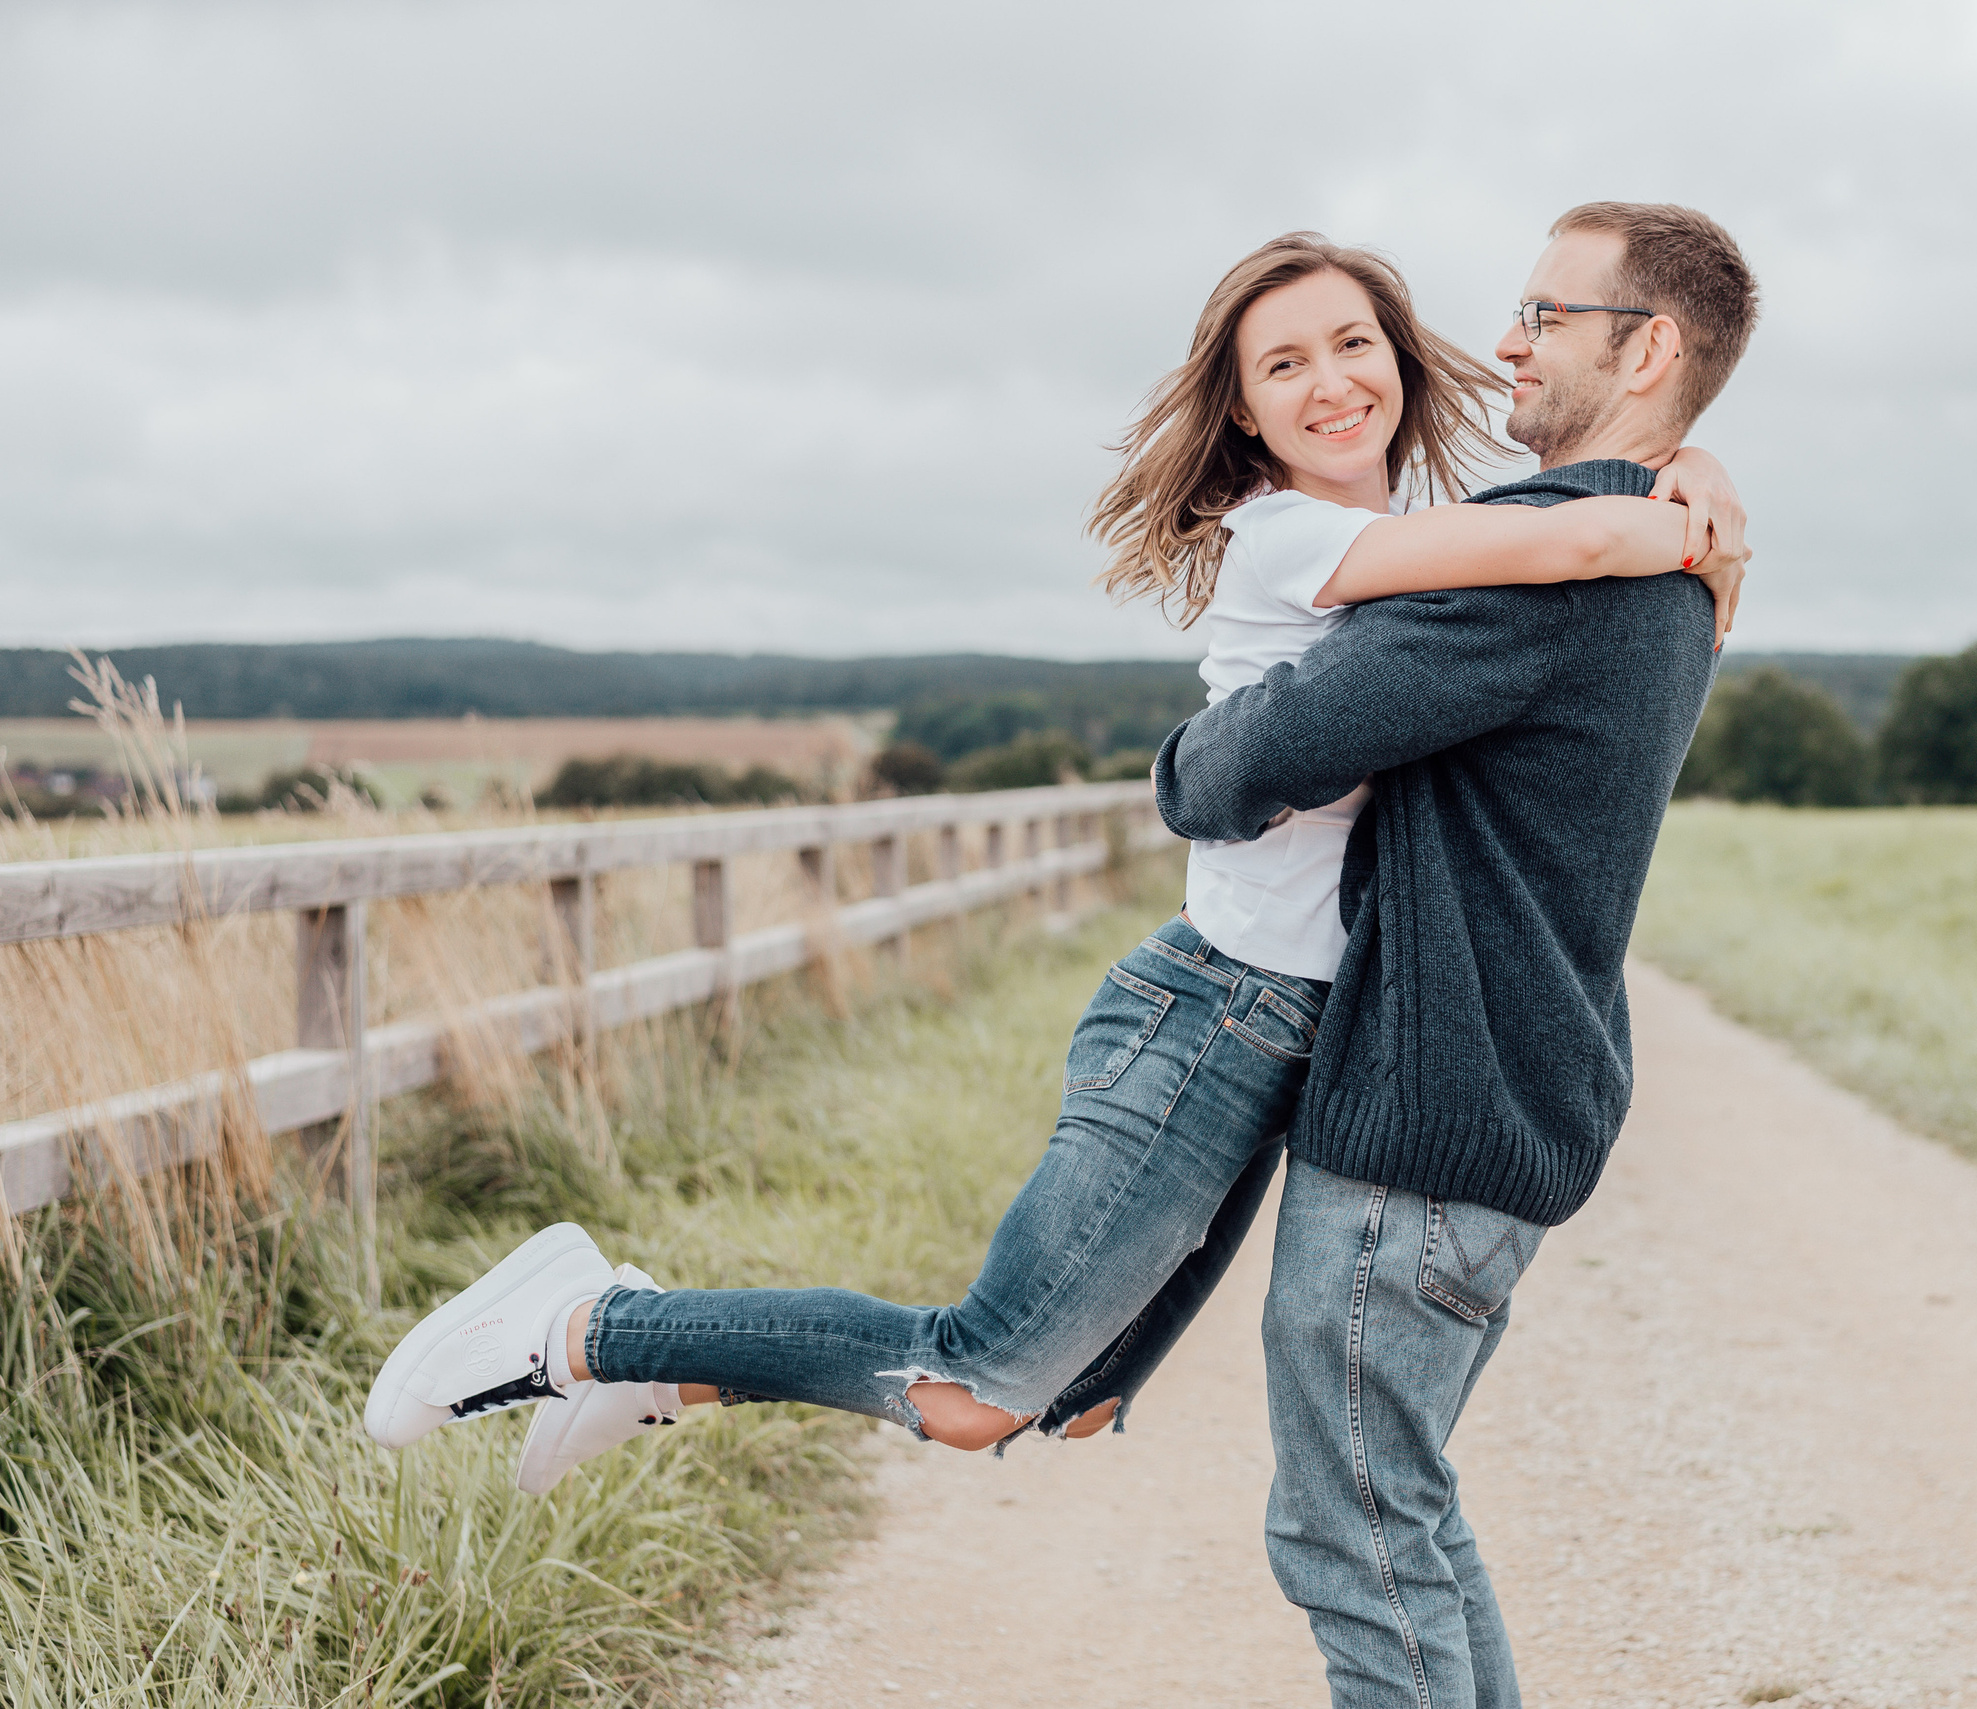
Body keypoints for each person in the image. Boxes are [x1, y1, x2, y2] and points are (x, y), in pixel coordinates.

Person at [360, 229, 1750, 1498]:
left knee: (1061, 1396)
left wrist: (1692, 460)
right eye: (1283, 363)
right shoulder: (1299, 536)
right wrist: (1678, 513)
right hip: (1218, 1013)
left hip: (1301, 1044)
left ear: (1398, 362)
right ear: (1244, 414)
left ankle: (661, 1363)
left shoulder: (1415, 549)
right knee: (975, 1382)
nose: (1330, 379)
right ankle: (579, 1326)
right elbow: (1564, 533)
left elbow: (1532, 537)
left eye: (1353, 344)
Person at [1150, 200, 1758, 1708]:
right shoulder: (1662, 550)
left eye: (1547, 315)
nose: (1502, 344)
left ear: (1651, 348)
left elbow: (1228, 770)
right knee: (1396, 1518)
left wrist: (1190, 744)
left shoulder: (1547, 579)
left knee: (1350, 1533)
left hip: (1423, 1127)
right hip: (1504, 1110)